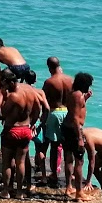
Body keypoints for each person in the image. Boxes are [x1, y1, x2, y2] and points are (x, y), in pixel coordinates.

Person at [0, 72, 44, 199]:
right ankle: (20, 192)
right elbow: (38, 110)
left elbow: (3, 113)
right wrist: (33, 123)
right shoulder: (31, 92)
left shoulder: (13, 96)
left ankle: (6, 191)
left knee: (7, 162)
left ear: (11, 83)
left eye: (6, 84)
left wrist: (3, 97)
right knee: (21, 162)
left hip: (12, 130)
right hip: (26, 130)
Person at [39, 58, 72, 187]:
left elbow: (43, 99)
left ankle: (54, 173)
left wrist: (42, 117)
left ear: (49, 67)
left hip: (54, 113)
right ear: (60, 65)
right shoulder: (70, 80)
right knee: (68, 147)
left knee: (54, 146)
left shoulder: (49, 82)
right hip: (68, 113)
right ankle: (70, 176)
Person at [60, 73, 93, 199]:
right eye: (88, 85)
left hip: (66, 128)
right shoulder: (78, 95)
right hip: (74, 130)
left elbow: (75, 109)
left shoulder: (73, 93)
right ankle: (79, 192)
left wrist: (86, 99)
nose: (89, 87)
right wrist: (80, 138)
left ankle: (68, 187)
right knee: (79, 161)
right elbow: (75, 117)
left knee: (68, 159)